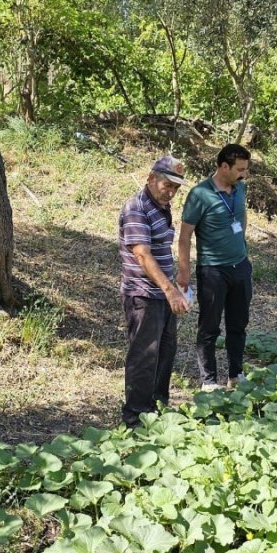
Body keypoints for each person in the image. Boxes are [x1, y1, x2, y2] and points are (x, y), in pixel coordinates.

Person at [118, 156, 191, 427]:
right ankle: (135, 417)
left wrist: (175, 286)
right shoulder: (136, 208)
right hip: (143, 294)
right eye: (166, 185)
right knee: (144, 356)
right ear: (150, 178)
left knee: (165, 352)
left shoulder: (161, 206)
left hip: (163, 293)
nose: (170, 192)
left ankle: (157, 408)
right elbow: (142, 255)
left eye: (175, 188)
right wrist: (170, 290)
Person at [177, 144, 252, 392]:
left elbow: (241, 218)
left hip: (240, 267)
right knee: (209, 326)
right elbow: (185, 236)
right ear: (223, 167)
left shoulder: (239, 188)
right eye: (240, 169)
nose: (244, 174)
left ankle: (236, 374)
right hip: (213, 270)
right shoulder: (200, 194)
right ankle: (209, 381)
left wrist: (242, 246)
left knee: (238, 324)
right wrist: (184, 271)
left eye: (245, 169)